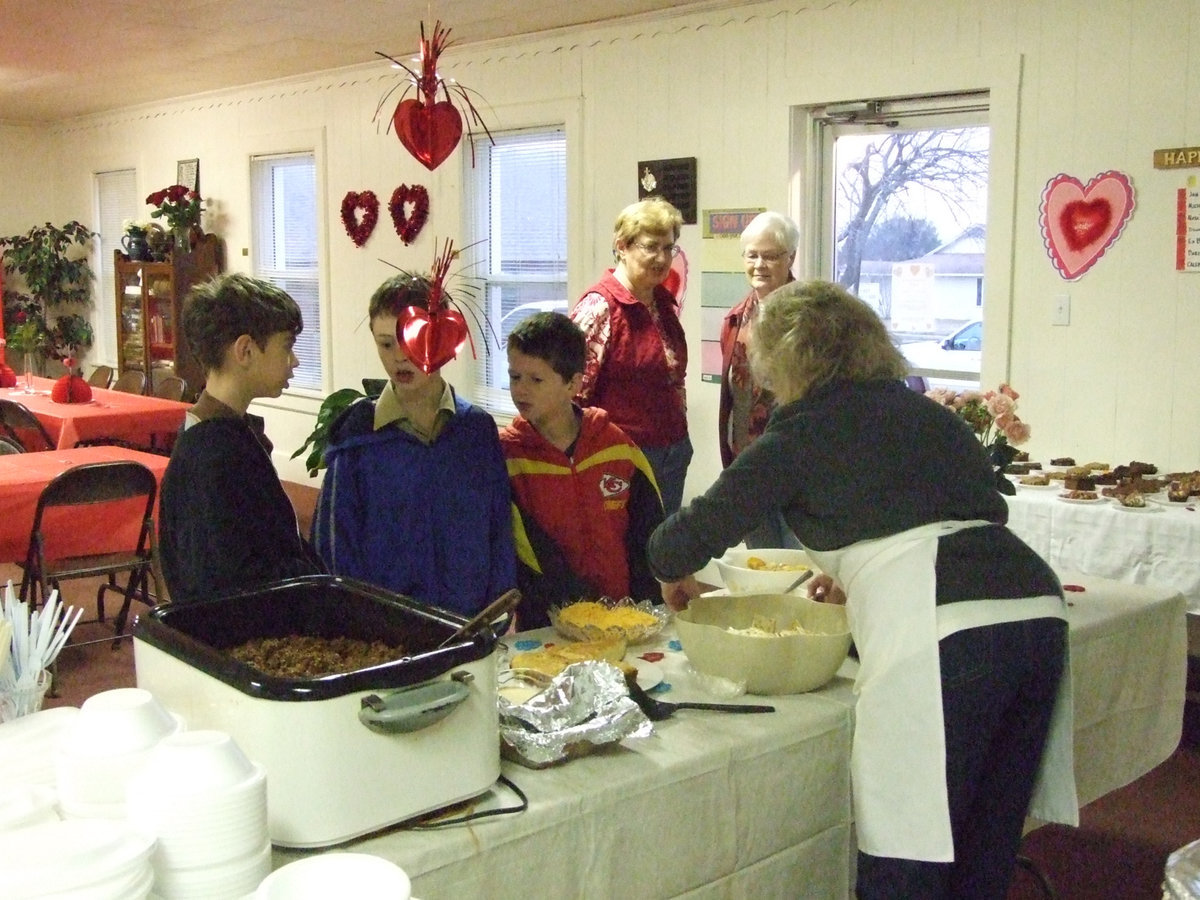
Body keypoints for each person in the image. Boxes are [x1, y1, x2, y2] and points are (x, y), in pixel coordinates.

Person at [646, 280, 1077, 900]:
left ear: (784, 361)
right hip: (1035, 605)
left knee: (911, 854)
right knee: (986, 845)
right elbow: (966, 512)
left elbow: (680, 542)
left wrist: (671, 573)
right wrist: (856, 567)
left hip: (942, 624)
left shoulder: (798, 436)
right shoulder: (931, 416)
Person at [311, 272, 516, 617]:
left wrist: (497, 611)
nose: (399, 357)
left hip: (469, 624)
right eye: (386, 344)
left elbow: (498, 530)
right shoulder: (359, 438)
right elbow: (335, 547)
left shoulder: (475, 431)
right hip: (388, 630)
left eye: (412, 341)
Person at [160, 273, 326, 604]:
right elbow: (227, 582)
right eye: (287, 346)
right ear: (246, 350)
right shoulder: (215, 455)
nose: (294, 361)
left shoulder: (222, 433)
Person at [500, 312, 664, 629]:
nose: (521, 390)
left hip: (622, 619)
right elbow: (523, 553)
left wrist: (648, 607)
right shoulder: (507, 457)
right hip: (548, 624)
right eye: (514, 377)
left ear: (573, 383)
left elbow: (649, 531)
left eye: (536, 380)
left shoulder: (616, 447)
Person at [570, 197, 691, 516]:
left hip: (672, 451)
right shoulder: (600, 308)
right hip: (621, 458)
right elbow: (571, 394)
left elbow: (675, 379)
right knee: (628, 555)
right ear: (622, 246)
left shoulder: (663, 304)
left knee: (663, 551)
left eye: (669, 248)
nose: (662, 258)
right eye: (652, 247)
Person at [719, 210, 800, 549]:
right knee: (761, 567)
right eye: (752, 255)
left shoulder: (811, 316)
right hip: (748, 468)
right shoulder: (736, 317)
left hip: (797, 469)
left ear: (791, 257)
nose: (760, 265)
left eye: (771, 256)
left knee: (802, 569)